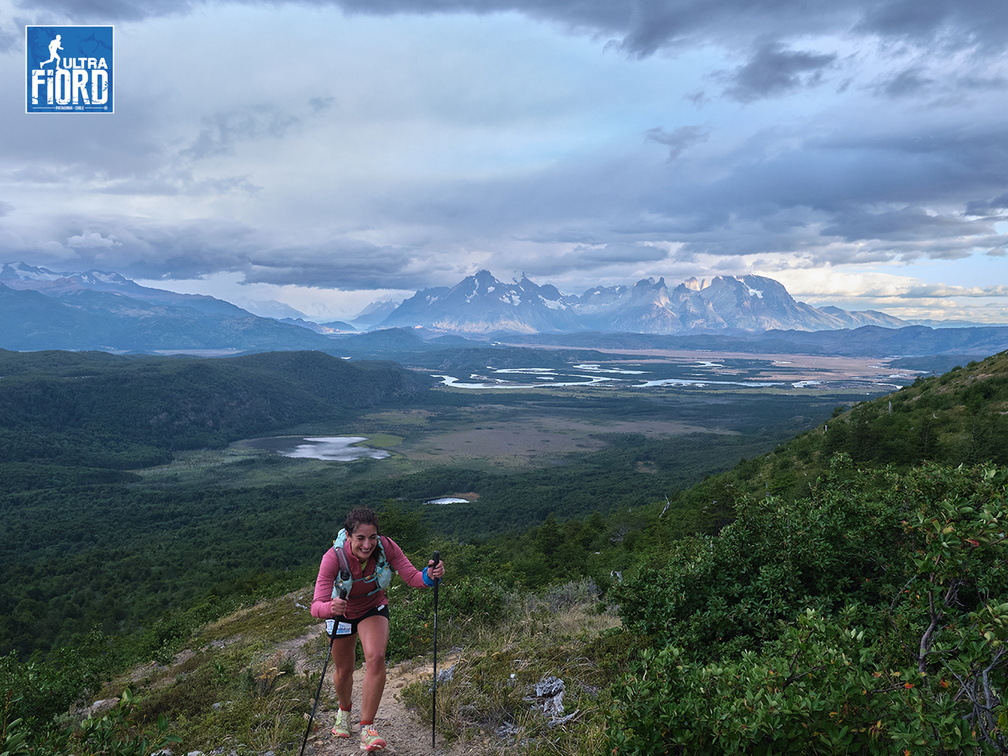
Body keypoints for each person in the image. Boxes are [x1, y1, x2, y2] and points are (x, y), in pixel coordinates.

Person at [311, 507, 445, 752]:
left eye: (372, 537)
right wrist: (331, 607)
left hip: (372, 606)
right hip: (340, 611)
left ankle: (367, 728)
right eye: (360, 538)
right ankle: (344, 711)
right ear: (348, 536)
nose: (367, 544)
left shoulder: (387, 547)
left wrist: (430, 575)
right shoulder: (333, 558)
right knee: (344, 670)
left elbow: (413, 578)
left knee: (376, 657)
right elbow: (316, 606)